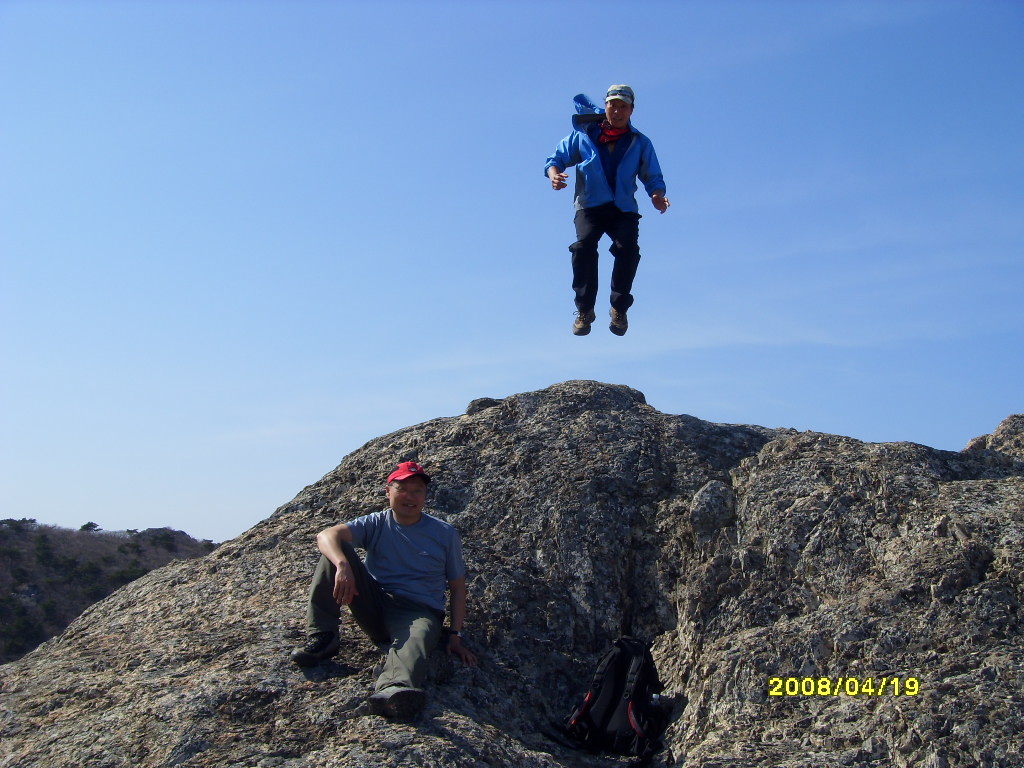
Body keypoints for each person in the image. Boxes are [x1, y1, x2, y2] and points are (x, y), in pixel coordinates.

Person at [290, 461, 477, 720]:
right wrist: (343, 565)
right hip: (376, 603)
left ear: (425, 496)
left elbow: (457, 587)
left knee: (416, 638)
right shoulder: (377, 522)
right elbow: (326, 535)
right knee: (336, 550)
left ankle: (393, 690)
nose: (410, 497)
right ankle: (323, 636)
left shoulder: (444, 534)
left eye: (417, 491)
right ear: (388, 492)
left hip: (418, 610)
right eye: (403, 489)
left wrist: (454, 635)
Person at [544, 84, 670, 337]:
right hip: (590, 205)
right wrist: (554, 176)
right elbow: (555, 159)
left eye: (623, 106)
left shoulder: (640, 142)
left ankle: (619, 308)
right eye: (613, 105)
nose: (617, 110)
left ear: (631, 110)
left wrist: (657, 196)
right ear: (606, 107)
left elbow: (652, 175)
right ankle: (585, 310)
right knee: (584, 247)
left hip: (623, 208)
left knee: (628, 250)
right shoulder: (584, 135)